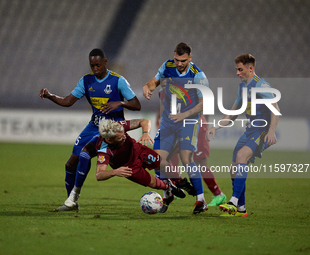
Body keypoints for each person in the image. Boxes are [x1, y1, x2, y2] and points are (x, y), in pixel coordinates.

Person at [40, 48, 141, 211]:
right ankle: (71, 202)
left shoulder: (118, 81)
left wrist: (120, 103)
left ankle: (73, 198)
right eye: (92, 65)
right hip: (93, 126)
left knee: (86, 154)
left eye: (98, 65)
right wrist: (50, 95)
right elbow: (67, 101)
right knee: (70, 164)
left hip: (111, 129)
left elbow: (137, 104)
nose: (95, 68)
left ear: (105, 62)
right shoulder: (86, 81)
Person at [206, 53, 280, 217]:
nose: (237, 73)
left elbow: (276, 109)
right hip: (250, 131)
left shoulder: (261, 86)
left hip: (262, 131)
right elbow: (232, 114)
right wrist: (215, 127)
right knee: (234, 169)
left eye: (240, 70)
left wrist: (271, 131)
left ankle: (232, 202)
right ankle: (241, 209)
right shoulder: (242, 87)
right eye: (236, 70)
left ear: (250, 68)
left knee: (241, 156)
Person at [143, 42, 209, 214]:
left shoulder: (198, 75)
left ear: (190, 58)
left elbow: (205, 103)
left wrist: (184, 115)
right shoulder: (167, 66)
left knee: (186, 157)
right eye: (177, 59)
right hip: (168, 121)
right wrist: (147, 87)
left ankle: (201, 201)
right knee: (157, 159)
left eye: (183, 60)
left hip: (188, 121)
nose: (179, 64)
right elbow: (154, 82)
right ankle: (168, 194)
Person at [95, 119, 186, 213]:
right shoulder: (103, 150)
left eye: (124, 134)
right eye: (119, 138)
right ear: (109, 139)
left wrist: (145, 133)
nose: (124, 138)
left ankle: (180, 181)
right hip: (129, 167)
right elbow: (99, 175)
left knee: (162, 164)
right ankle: (168, 188)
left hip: (138, 150)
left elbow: (144, 121)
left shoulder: (118, 126)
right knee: (153, 183)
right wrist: (115, 172)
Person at [156, 86, 226, 207]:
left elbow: (204, 103)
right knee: (164, 158)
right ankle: (175, 187)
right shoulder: (163, 91)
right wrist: (159, 117)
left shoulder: (185, 85)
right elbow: (164, 105)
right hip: (175, 126)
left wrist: (204, 124)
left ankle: (218, 194)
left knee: (199, 163)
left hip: (193, 126)